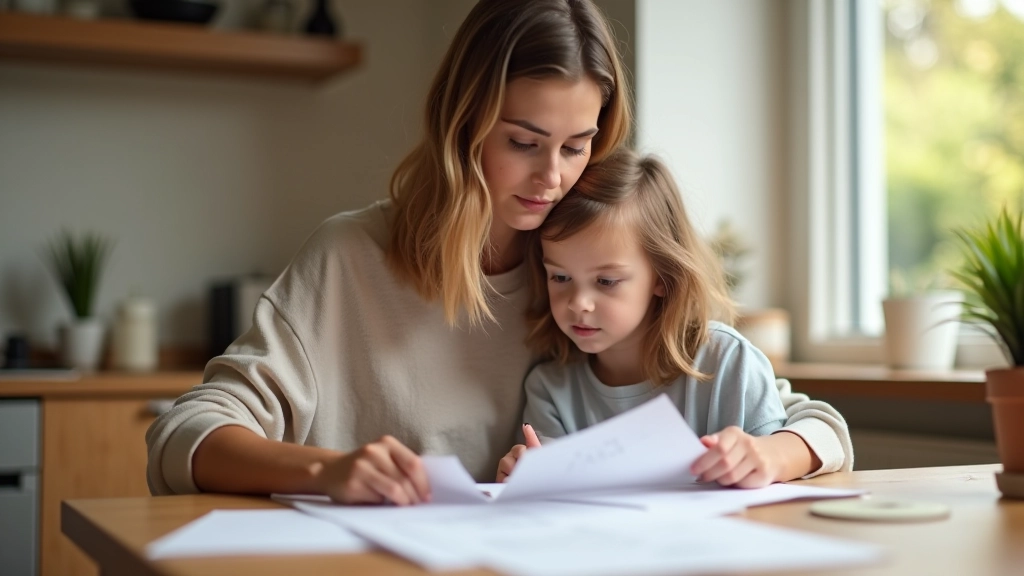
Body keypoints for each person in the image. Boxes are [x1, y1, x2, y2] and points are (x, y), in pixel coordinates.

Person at [146, 0, 632, 506]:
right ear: (463, 123)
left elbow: (690, 375)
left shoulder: (588, 276)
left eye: (575, 148)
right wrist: (328, 470)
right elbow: (184, 433)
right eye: (522, 142)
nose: (552, 178)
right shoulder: (348, 257)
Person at [496, 150, 853, 487]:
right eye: (560, 277)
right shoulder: (549, 388)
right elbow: (551, 492)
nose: (578, 304)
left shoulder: (724, 360)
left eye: (606, 281)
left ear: (663, 279)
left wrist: (770, 455)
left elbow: (827, 433)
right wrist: (525, 476)